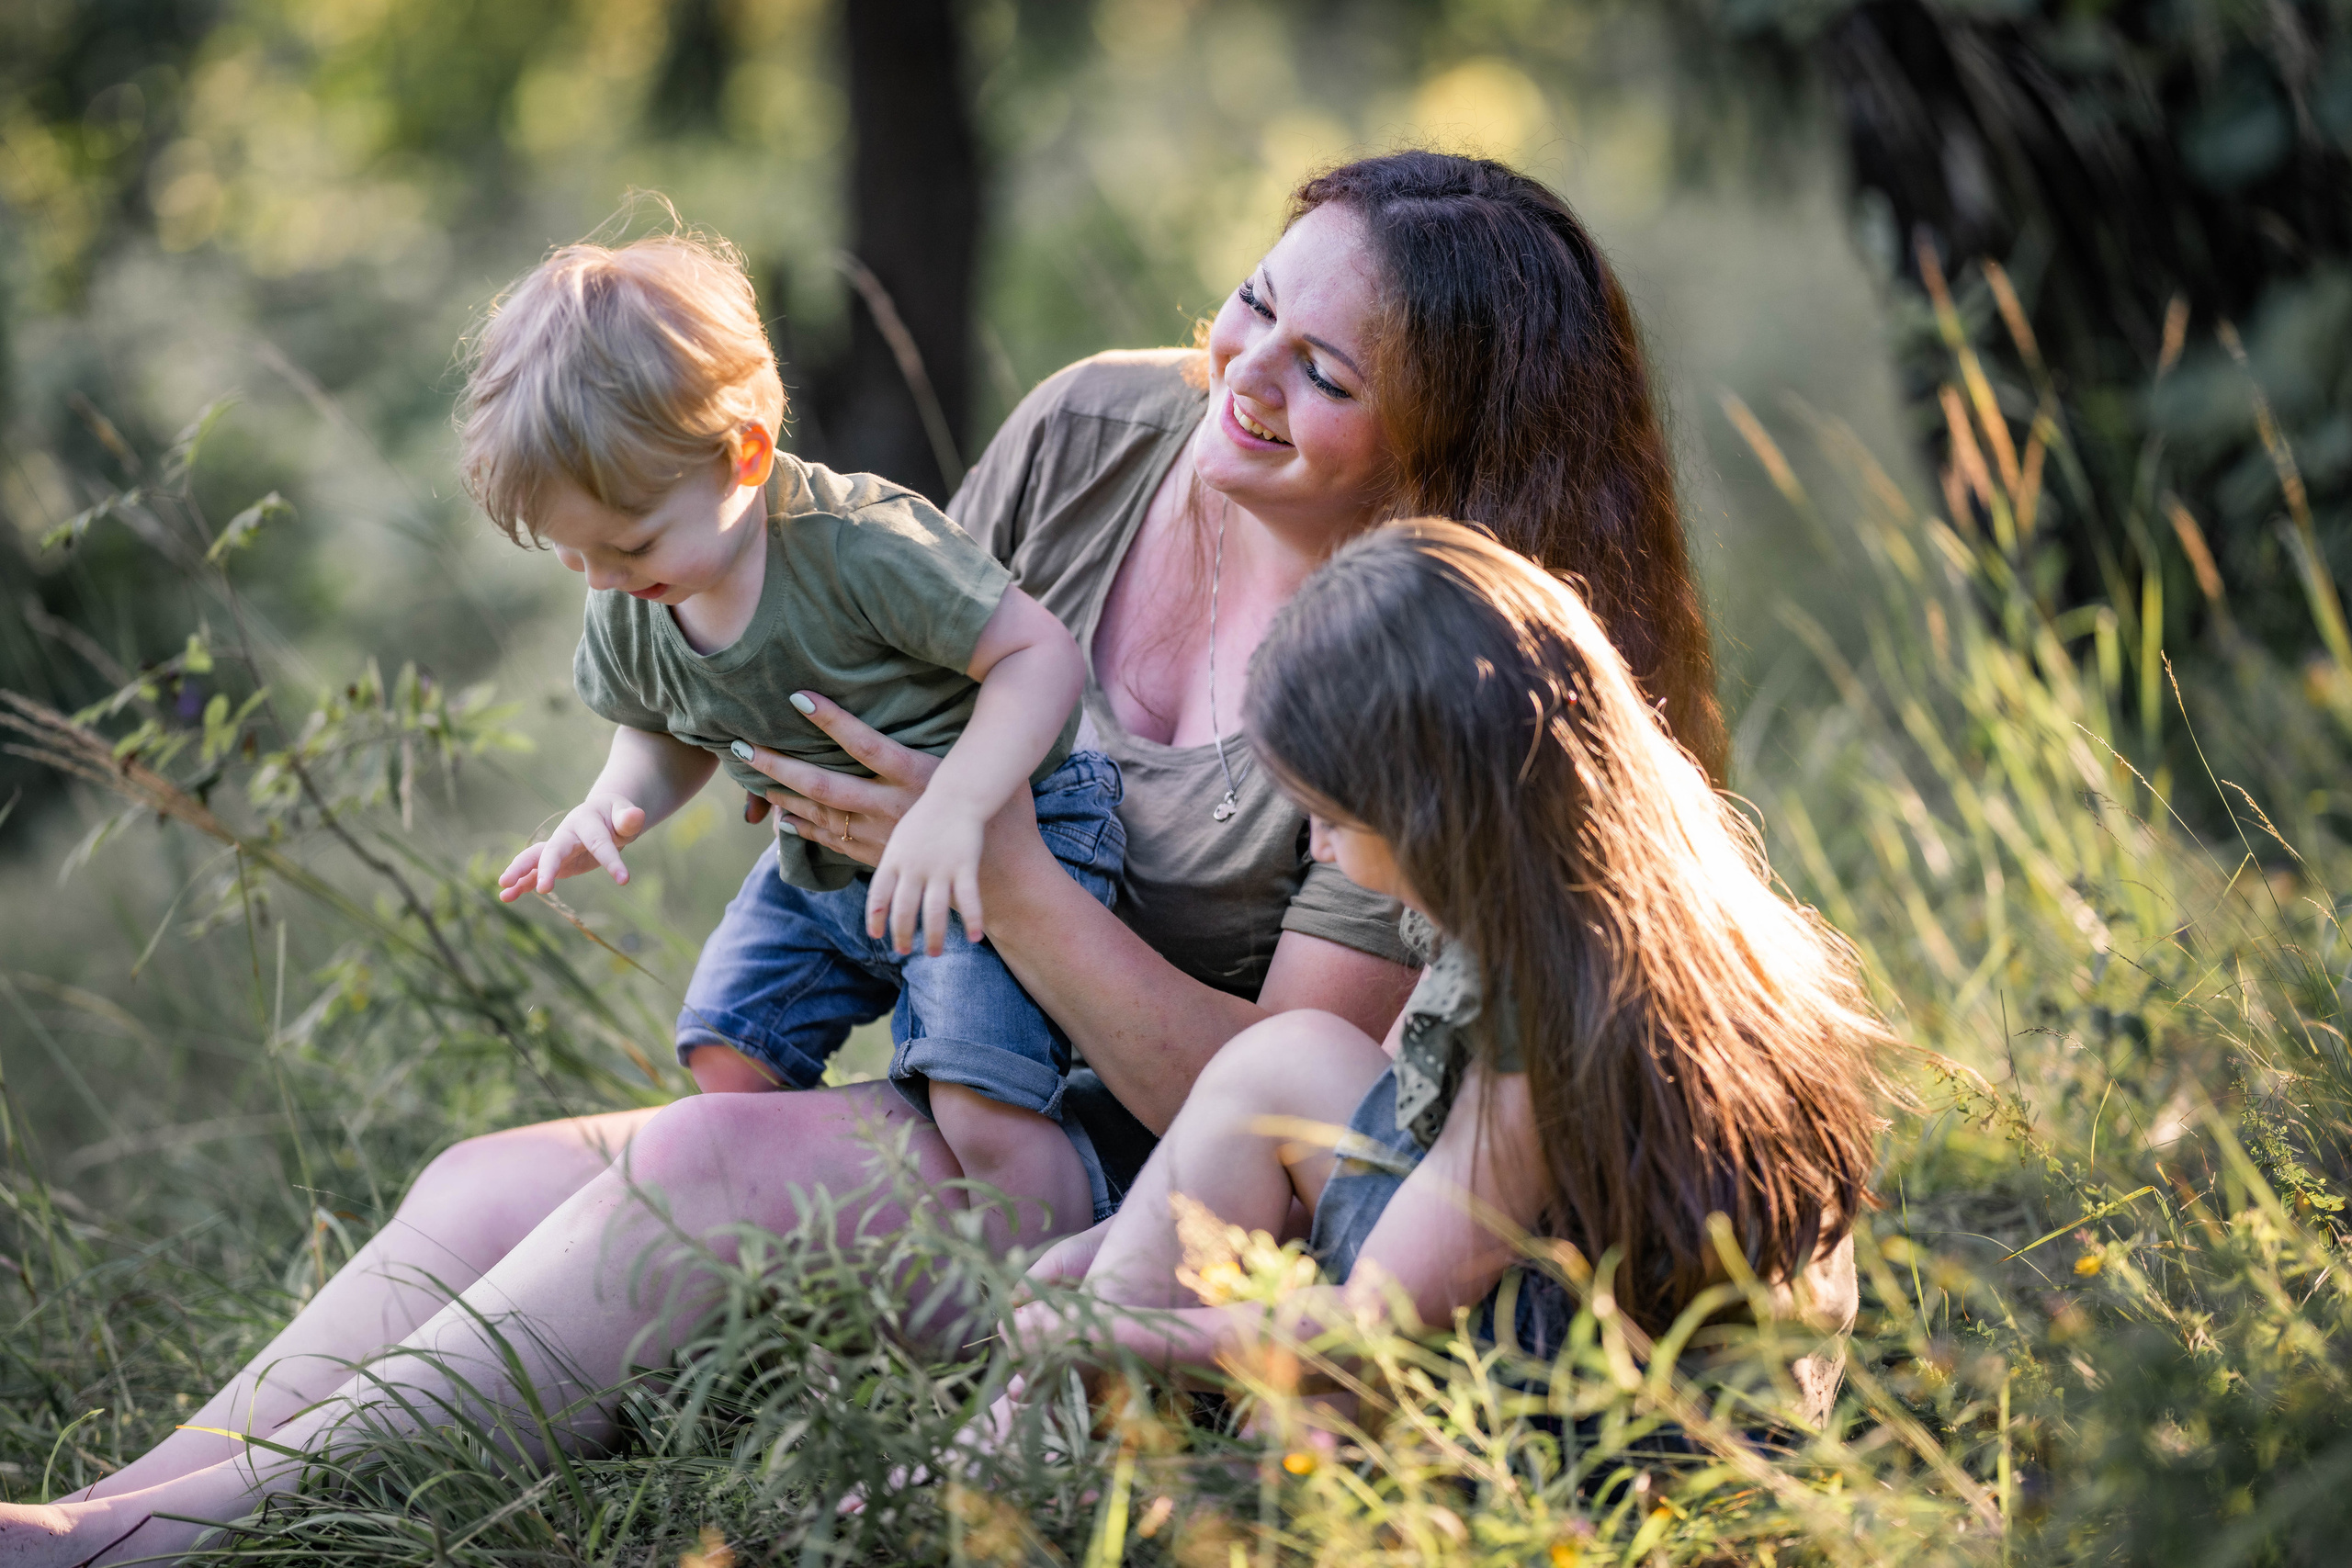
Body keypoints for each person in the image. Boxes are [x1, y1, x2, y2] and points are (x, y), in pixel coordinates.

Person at [0, 151, 1734, 1564]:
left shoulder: (1428, 665)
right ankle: (108, 1507)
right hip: (969, 1071)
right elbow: (874, 652)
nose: (1246, 376)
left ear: (1444, 438)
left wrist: (994, 871)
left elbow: (1283, 1096)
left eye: (1325, 374)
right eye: (1254, 305)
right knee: (483, 1182)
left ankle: (146, 1551)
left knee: (689, 1187)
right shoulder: (1099, 433)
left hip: (1162, 1195)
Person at [1000, 522, 1883, 1429]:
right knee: (1286, 1064)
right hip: (1575, 1310)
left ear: (1436, 810)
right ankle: (1035, 1438)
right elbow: (1394, 1119)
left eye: (1335, 818)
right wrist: (1120, 1250)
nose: (1319, 848)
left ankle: (1028, 1463)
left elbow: (1374, 1325)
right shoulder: (1585, 885)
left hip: (1623, 1429)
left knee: (1292, 1416)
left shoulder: (1557, 994)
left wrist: (1130, 1329)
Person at [467, 228, 1125, 1248]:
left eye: (627, 543)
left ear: (746, 453)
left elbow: (1039, 658)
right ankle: (805, 1258)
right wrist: (613, 802)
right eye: (573, 555)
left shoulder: (862, 548)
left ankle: (1062, 1300)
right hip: (823, 861)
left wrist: (956, 809)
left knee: (979, 1099)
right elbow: (660, 724)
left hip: (994, 831)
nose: (600, 579)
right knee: (727, 1054)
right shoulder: (641, 586)